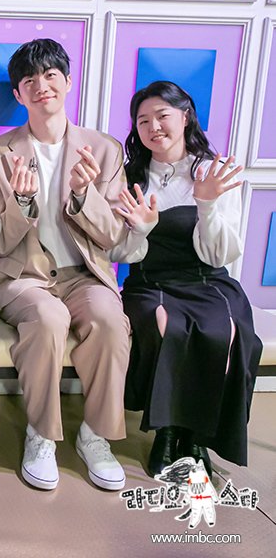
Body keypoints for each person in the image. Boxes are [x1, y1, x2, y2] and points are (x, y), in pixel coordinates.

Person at [0, 38, 130, 492]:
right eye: (29, 80)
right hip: (20, 275)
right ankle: (41, 434)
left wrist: (85, 196)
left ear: (67, 82)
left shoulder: (104, 149)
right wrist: (22, 202)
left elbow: (113, 236)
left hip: (84, 276)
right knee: (48, 318)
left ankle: (95, 436)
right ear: (18, 94)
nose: (41, 85)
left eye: (50, 75)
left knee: (109, 320)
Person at [112, 80, 262, 477]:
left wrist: (207, 204)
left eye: (162, 115)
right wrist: (140, 230)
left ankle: (196, 437)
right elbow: (119, 254)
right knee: (166, 327)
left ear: (185, 116)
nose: (153, 127)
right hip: (150, 282)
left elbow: (219, 255)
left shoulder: (213, 172)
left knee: (225, 331)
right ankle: (167, 431)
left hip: (207, 279)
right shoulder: (128, 176)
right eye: (143, 120)